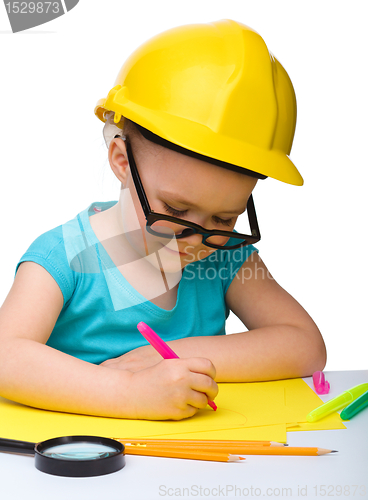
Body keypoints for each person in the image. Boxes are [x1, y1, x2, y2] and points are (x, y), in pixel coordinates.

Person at [0, 19, 326, 421]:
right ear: (122, 162)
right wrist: (128, 392)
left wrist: (169, 355)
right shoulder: (64, 257)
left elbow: (304, 345)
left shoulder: (224, 258)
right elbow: (6, 356)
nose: (199, 240)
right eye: (174, 210)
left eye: (225, 218)